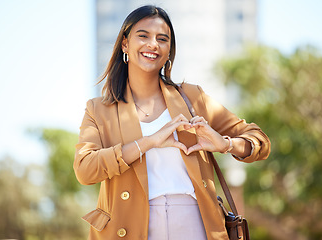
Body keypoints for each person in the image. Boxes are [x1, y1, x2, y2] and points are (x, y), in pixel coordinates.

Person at [74, 5, 270, 240]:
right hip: (129, 226)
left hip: (195, 221)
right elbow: (85, 170)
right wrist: (147, 143)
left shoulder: (192, 98)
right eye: (143, 36)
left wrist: (225, 144)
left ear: (169, 51)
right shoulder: (98, 109)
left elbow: (259, 141)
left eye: (162, 39)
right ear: (125, 44)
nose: (153, 44)